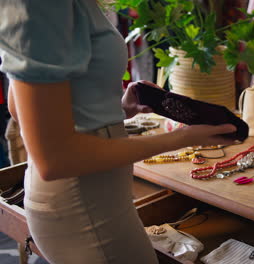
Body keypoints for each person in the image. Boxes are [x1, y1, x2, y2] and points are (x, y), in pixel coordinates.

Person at [0, 1, 237, 263]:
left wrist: (118, 109)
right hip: (83, 205)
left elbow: (21, 106)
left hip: (96, 197)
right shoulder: (44, 7)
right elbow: (54, 159)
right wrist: (182, 138)